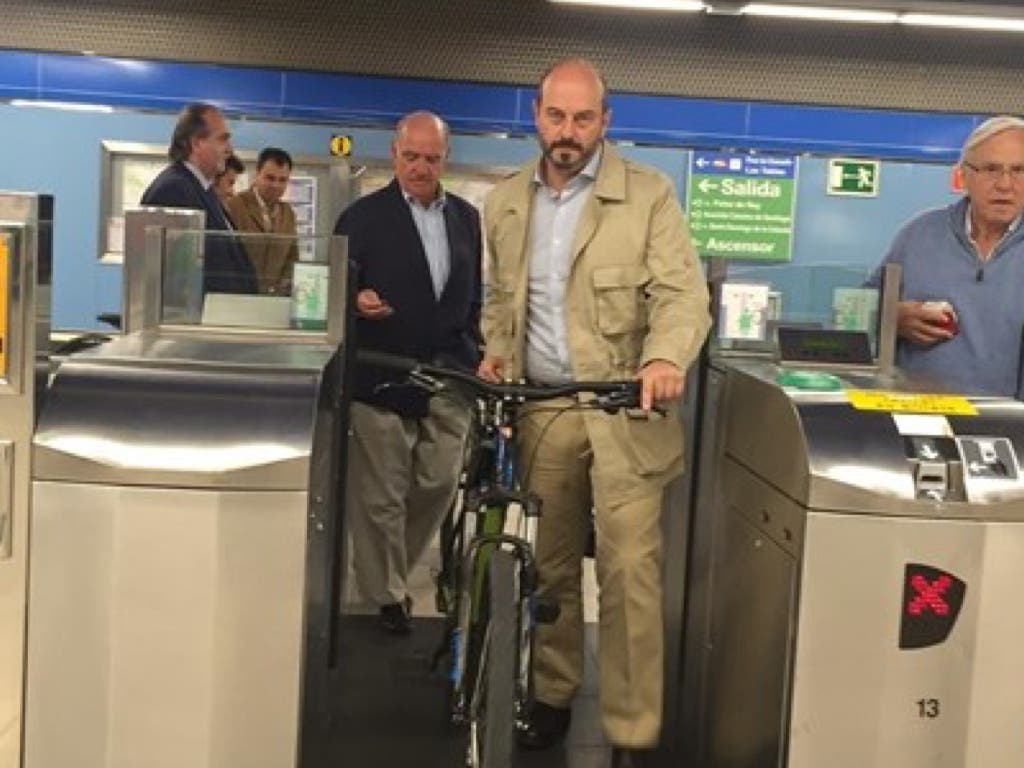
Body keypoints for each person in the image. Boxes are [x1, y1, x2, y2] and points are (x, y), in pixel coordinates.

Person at [477, 58, 710, 767]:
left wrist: (665, 358)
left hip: (625, 411)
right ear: (536, 117)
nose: (568, 131)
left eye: (583, 118)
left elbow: (681, 294)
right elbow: (500, 300)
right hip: (545, 408)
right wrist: (495, 352)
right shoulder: (507, 202)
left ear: (606, 122)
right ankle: (552, 693)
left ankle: (633, 728)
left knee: (630, 571)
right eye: (556, 116)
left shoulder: (648, 196)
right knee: (548, 569)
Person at [336, 111, 482, 635]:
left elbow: (474, 293)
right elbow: (332, 290)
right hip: (381, 371)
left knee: (437, 483)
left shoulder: (466, 218)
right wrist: (354, 299)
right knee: (381, 494)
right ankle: (386, 596)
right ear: (394, 154)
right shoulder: (362, 218)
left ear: (447, 159)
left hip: (448, 370)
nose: (422, 168)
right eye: (412, 156)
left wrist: (479, 348)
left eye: (433, 158)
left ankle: (392, 569)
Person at [873, 115, 1024, 397]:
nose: (1005, 184)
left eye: (1019, 170)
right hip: (921, 418)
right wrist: (891, 318)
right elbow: (855, 317)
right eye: (991, 169)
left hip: (1011, 427)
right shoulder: (918, 236)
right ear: (964, 175)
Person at [141, 103, 257, 294]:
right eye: (222, 140)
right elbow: (177, 280)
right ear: (196, 143)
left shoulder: (204, 189)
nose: (229, 150)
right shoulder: (174, 189)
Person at [227, 147, 300, 294]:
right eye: (270, 178)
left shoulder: (288, 213)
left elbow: (292, 258)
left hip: (273, 299)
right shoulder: (235, 206)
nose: (276, 185)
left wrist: (283, 288)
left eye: (282, 180)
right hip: (238, 296)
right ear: (257, 174)